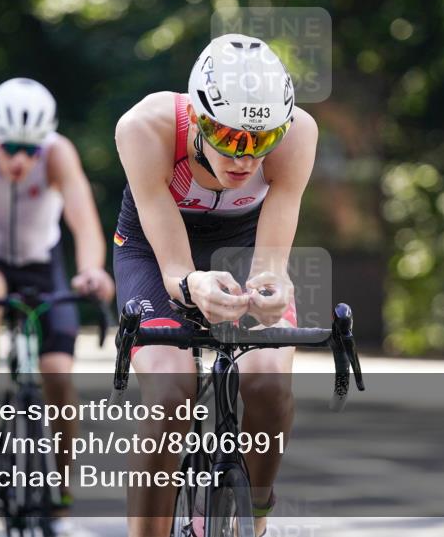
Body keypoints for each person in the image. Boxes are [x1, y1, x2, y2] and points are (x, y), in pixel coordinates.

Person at [113, 34, 318, 537]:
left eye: (261, 140)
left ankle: (259, 506)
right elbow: (175, 270)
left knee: (269, 383)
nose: (245, 158)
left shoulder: (299, 134)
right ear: (199, 119)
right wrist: (189, 284)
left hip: (242, 243)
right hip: (154, 245)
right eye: (229, 137)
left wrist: (272, 283)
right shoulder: (146, 127)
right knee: (168, 395)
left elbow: (272, 259)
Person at [0, 77, 115, 532]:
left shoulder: (59, 153)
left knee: (58, 375)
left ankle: (62, 493)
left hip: (43, 263)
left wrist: (93, 270)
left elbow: (85, 224)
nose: (20, 159)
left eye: (31, 149)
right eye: (11, 146)